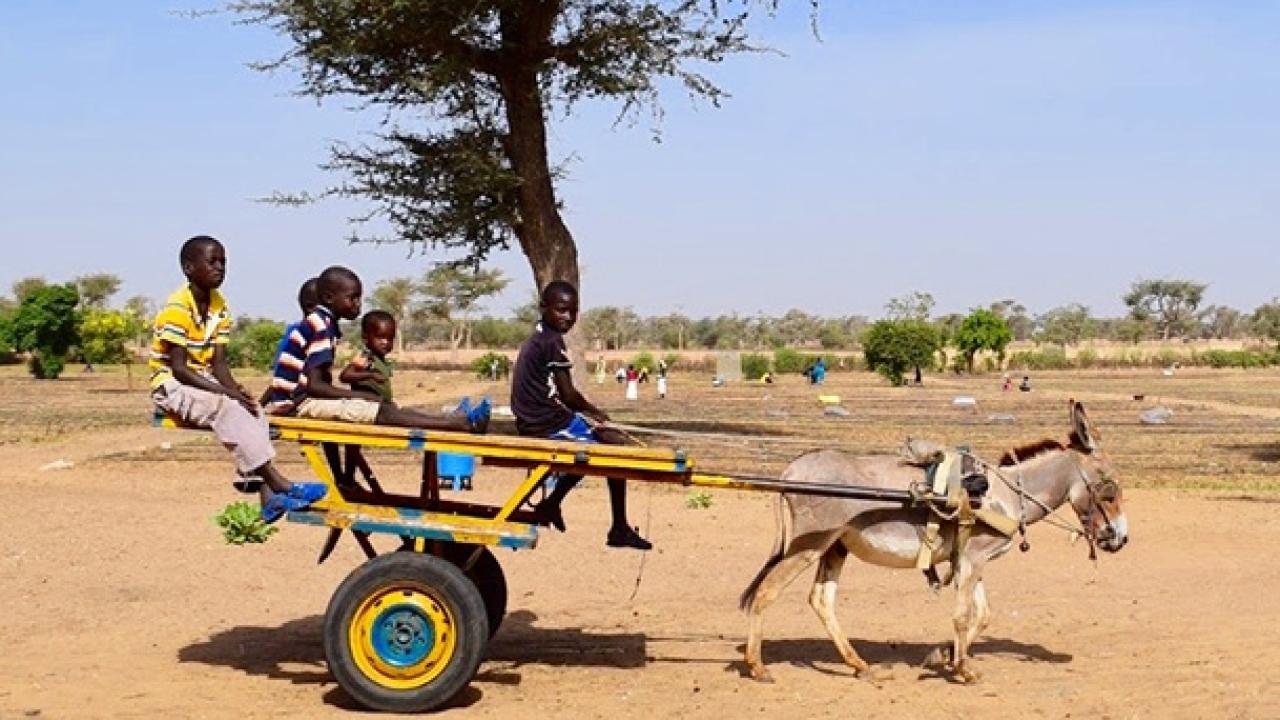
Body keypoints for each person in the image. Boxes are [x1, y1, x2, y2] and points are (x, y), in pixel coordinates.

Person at [149, 235, 326, 522]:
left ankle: (266, 496)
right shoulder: (177, 308)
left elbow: (219, 363)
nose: (219, 267)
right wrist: (226, 394)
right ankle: (280, 484)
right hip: (172, 384)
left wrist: (235, 391)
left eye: (223, 262)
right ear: (188, 268)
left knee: (251, 407)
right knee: (226, 407)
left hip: (202, 379)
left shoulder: (220, 306)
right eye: (212, 261)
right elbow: (180, 369)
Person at [510, 280, 652, 550]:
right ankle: (618, 527)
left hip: (544, 417)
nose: (567, 317)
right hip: (544, 422)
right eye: (561, 310)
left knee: (599, 445)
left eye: (573, 311)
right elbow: (568, 395)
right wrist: (597, 413)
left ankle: (553, 504)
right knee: (612, 447)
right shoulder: (550, 341)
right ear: (544, 308)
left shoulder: (541, 336)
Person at [265, 266, 490, 432]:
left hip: (299, 401)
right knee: (380, 411)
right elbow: (315, 386)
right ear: (329, 298)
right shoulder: (320, 326)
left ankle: (455, 420)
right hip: (299, 404)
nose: (358, 305)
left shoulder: (321, 323)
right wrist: (359, 395)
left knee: (386, 408)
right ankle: (460, 424)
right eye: (352, 298)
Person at [260, 277, 320, 406]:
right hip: (298, 401)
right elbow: (282, 380)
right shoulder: (303, 334)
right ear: (311, 307)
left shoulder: (300, 331)